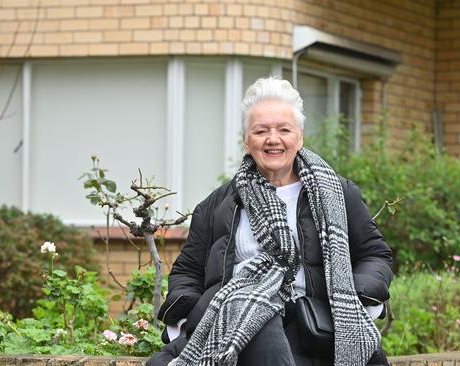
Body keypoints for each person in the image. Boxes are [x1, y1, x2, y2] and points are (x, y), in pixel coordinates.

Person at [147, 77, 393, 366]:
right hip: (229, 323)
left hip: (312, 325)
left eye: (284, 130)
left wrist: (353, 298)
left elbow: (375, 255)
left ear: (299, 137)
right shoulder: (216, 204)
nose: (273, 139)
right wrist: (191, 316)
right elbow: (187, 271)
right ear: (246, 141)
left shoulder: (339, 194)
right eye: (261, 131)